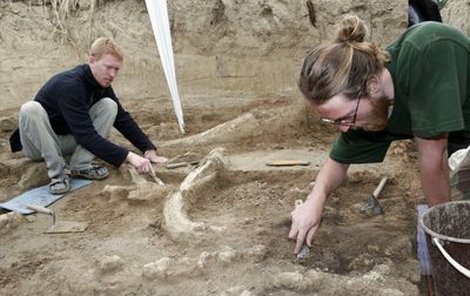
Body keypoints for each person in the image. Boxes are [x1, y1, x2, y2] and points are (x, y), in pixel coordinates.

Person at [289, 15, 470, 254]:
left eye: (345, 117)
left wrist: (444, 239)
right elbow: (337, 163)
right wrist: (315, 201)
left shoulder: (426, 49)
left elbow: (434, 159)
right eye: (334, 121)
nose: (344, 128)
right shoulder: (369, 111)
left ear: (372, 85)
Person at [9, 37, 168, 195]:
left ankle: (80, 165)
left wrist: (147, 148)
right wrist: (129, 156)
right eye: (108, 67)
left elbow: (122, 119)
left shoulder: (101, 83)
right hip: (38, 145)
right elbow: (86, 136)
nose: (112, 74)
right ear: (92, 61)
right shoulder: (70, 85)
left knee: (109, 105)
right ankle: (58, 174)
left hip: (64, 142)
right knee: (30, 108)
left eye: (116, 69)